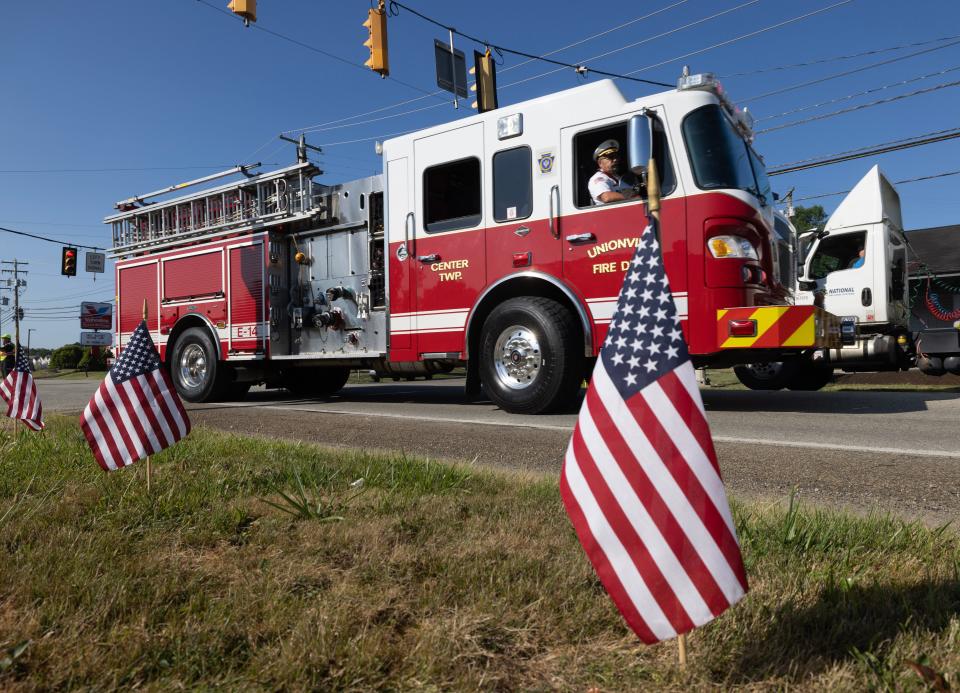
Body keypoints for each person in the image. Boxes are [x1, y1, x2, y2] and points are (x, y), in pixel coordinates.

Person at [588, 139, 639, 205]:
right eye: (611, 157)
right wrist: (632, 198)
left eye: (616, 157)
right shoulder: (598, 178)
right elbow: (606, 197)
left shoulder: (616, 177)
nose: (615, 160)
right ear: (600, 163)